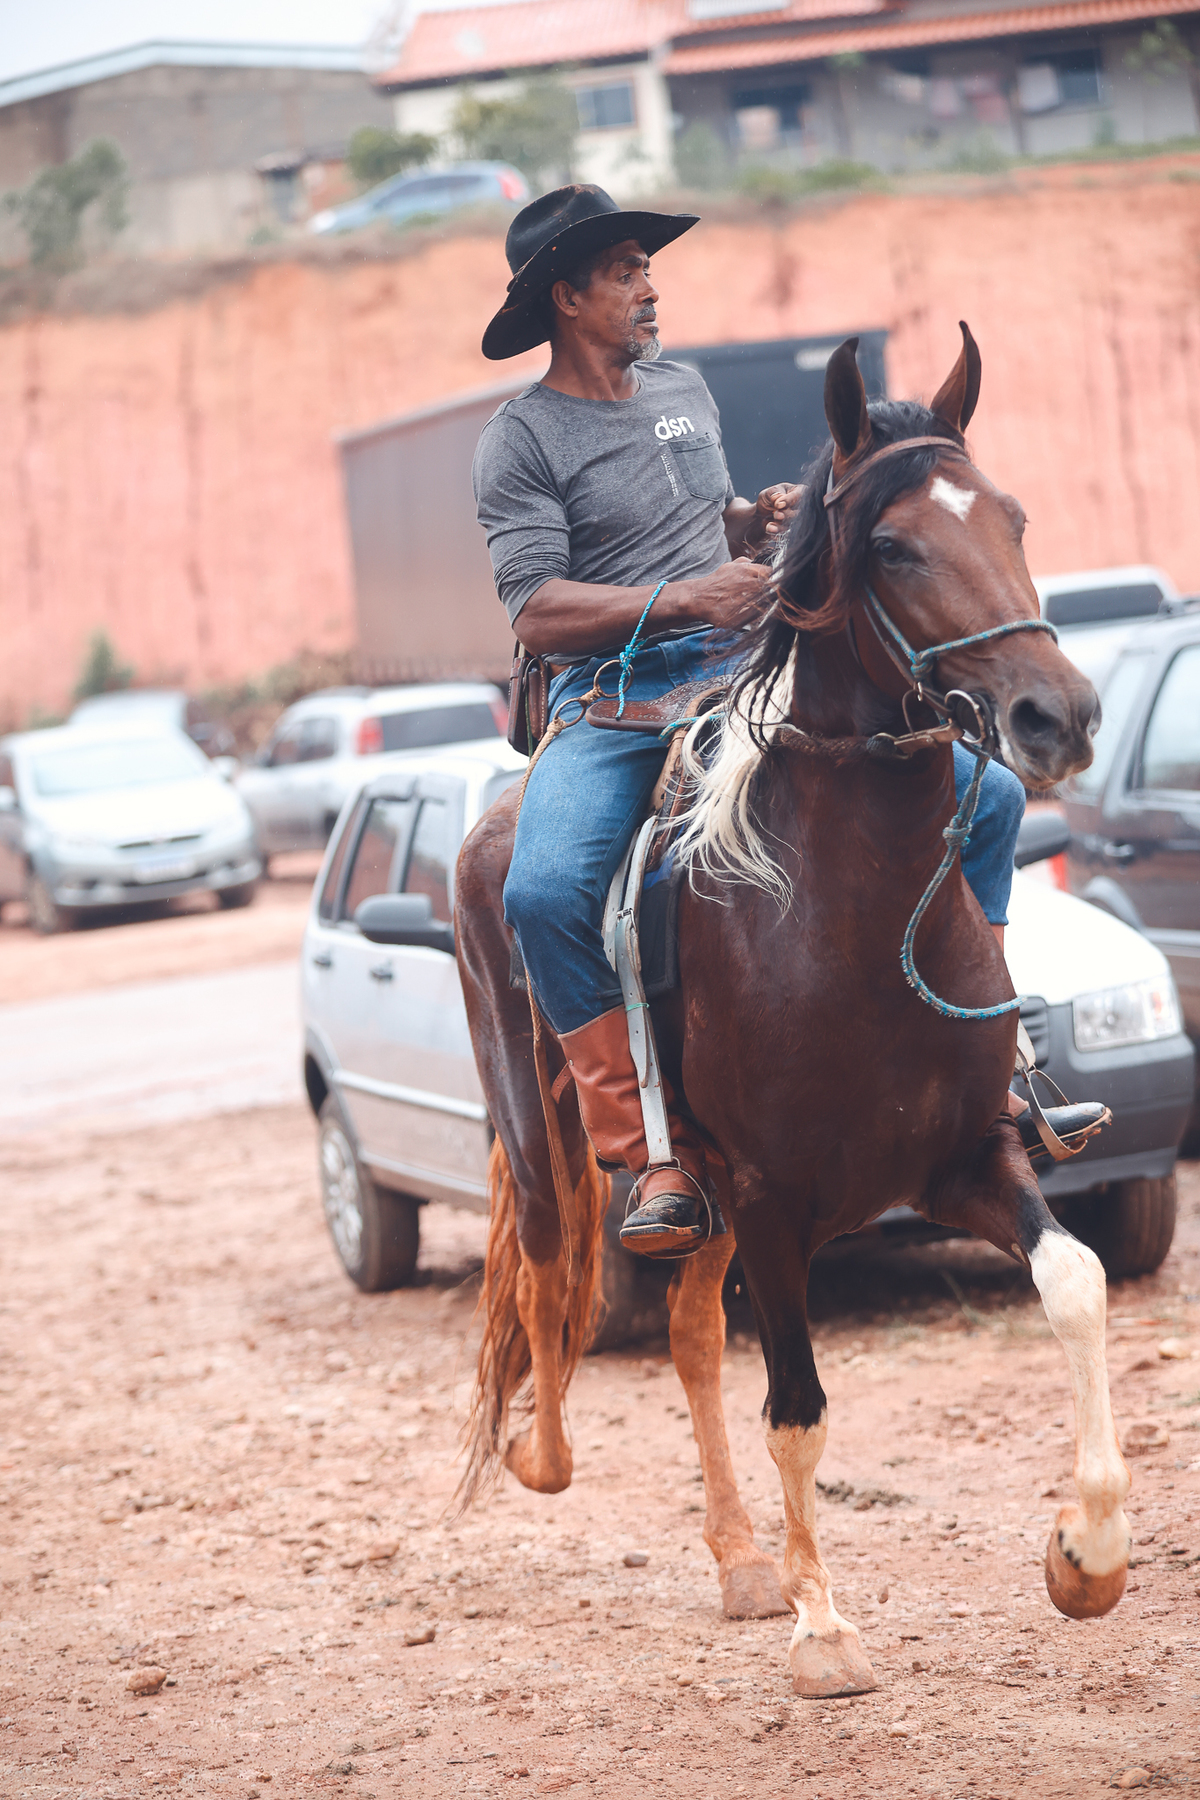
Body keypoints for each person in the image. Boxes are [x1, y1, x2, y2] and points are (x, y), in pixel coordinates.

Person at [473, 185, 1100, 1260]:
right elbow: (535, 607)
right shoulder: (519, 438)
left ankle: (991, 1065)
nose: (649, 287)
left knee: (992, 795)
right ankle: (647, 1149)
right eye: (625, 272)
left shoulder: (683, 390)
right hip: (616, 698)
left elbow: (692, 522)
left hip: (742, 669)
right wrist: (687, 598)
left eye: (646, 268)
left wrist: (747, 520)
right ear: (565, 299)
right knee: (541, 890)